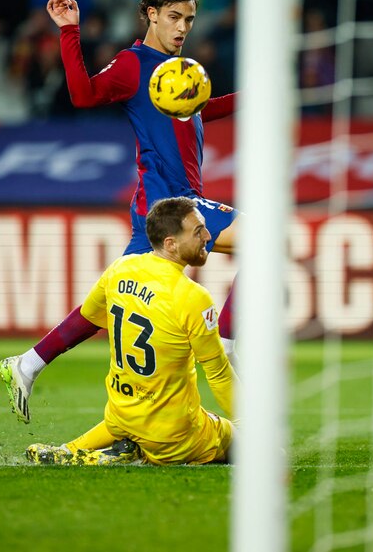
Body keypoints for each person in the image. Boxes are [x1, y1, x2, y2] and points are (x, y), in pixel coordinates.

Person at [0, 0, 240, 424]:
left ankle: (28, 363)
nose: (183, 28)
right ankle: (226, 340)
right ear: (150, 15)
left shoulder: (179, 73)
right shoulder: (134, 65)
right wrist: (70, 32)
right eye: (174, 17)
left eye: (189, 19)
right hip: (170, 203)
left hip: (161, 207)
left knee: (113, 299)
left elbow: (202, 107)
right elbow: (83, 95)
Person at [18, 197, 237, 466]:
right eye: (198, 231)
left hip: (123, 415)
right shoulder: (194, 297)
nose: (208, 236)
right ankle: (114, 456)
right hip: (174, 436)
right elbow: (219, 374)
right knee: (239, 438)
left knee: (129, 420)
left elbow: (88, 317)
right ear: (171, 244)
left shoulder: (119, 269)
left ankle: (73, 449)